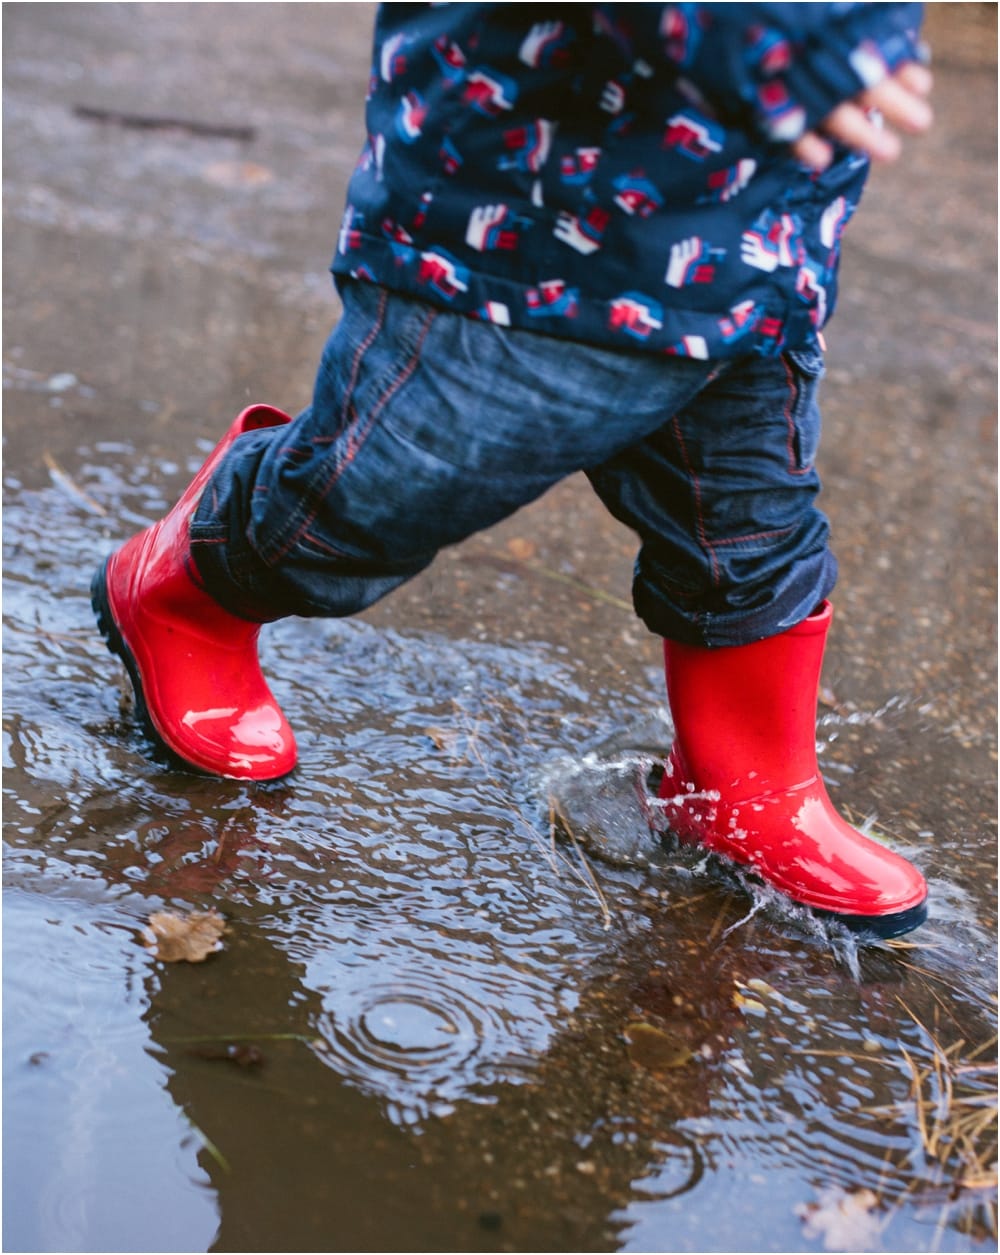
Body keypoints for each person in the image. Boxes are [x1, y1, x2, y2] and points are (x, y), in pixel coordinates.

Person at [92, 3, 934, 937]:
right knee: (388, 485)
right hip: (527, 217)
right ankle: (186, 587)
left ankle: (743, 786)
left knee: (748, 520)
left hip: (755, 235)